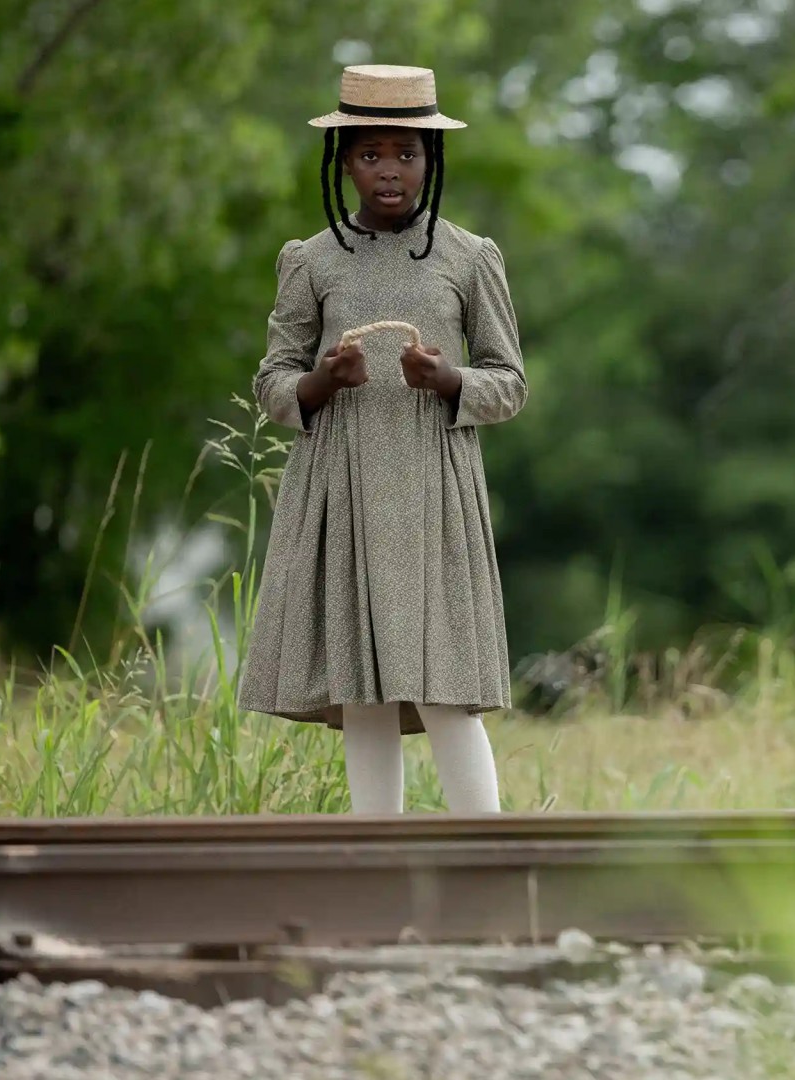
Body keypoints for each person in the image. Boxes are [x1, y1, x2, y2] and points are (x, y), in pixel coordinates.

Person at [236, 64, 526, 815]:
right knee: (359, 687)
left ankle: (487, 851)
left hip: (435, 491)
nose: (389, 170)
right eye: (370, 154)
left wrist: (449, 379)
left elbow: (509, 383)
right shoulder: (310, 260)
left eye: (406, 153)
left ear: (432, 160)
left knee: (447, 686)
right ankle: (377, 857)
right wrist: (322, 381)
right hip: (342, 490)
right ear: (343, 163)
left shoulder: (470, 257)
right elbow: (272, 381)